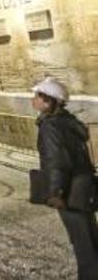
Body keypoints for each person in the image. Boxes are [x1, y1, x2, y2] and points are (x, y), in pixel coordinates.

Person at [33, 78, 98, 280]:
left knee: (82, 241)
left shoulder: (50, 127)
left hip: (70, 189)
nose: (33, 100)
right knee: (89, 235)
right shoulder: (68, 121)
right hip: (83, 185)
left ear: (48, 101)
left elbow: (55, 162)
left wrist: (56, 192)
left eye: (37, 96)